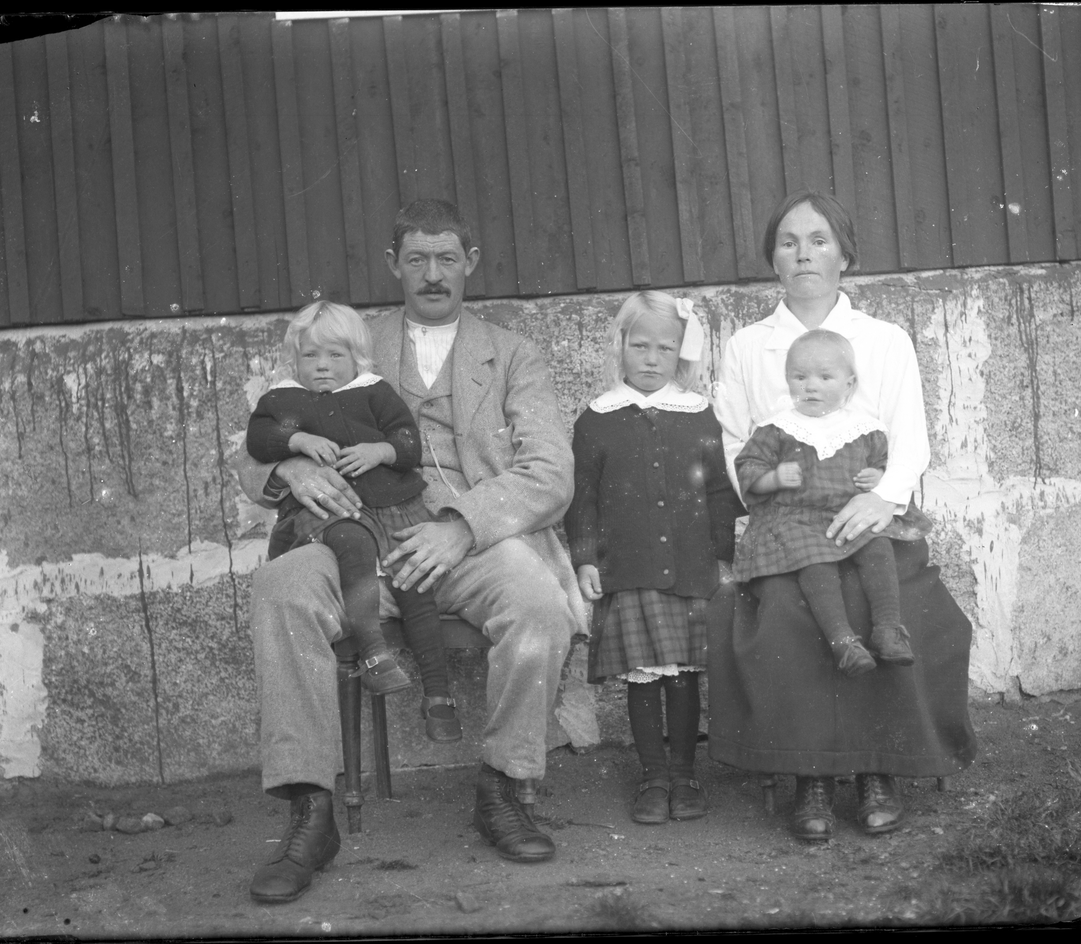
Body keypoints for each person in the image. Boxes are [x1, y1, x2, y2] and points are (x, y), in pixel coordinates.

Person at [237, 199, 583, 904]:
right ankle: (311, 810)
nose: (433, 274)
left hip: (470, 541)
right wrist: (292, 470)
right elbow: (253, 449)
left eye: (447, 259)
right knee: (280, 590)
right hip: (356, 535)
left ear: (470, 264)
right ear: (395, 266)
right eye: (417, 259)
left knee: (539, 605)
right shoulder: (349, 341)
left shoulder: (514, 354)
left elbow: (550, 472)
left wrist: (460, 526)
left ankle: (505, 787)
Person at [711, 190, 977, 842]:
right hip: (787, 519)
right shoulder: (749, 347)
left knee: (884, 598)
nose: (803, 253)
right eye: (789, 241)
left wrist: (880, 499)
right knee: (790, 608)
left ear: (845, 255)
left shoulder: (883, 342)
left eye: (819, 240)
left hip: (870, 508)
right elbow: (733, 443)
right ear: (772, 258)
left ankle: (876, 769)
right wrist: (778, 500)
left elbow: (909, 438)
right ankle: (810, 779)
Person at [565, 292, 743, 826]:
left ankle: (685, 773)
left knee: (684, 676)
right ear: (619, 346)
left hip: (690, 572)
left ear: (680, 354)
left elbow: (717, 492)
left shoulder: (696, 415)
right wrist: (585, 559)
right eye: (639, 345)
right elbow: (582, 498)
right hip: (631, 570)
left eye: (665, 348)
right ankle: (653, 775)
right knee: (644, 677)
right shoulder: (597, 419)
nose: (651, 358)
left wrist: (722, 559)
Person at [246, 300, 460, 742]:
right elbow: (259, 439)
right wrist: (298, 439)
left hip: (393, 507)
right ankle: (373, 650)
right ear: (295, 359)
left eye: (335, 355)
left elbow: (407, 440)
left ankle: (438, 697)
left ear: (357, 358)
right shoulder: (283, 399)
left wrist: (377, 451)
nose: (322, 366)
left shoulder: (373, 391)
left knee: (415, 584)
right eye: (310, 356)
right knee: (351, 543)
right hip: (330, 516)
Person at [732, 328, 927, 677]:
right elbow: (748, 468)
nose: (811, 385)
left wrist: (877, 479)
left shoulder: (864, 429)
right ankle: (843, 642)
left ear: (849, 385)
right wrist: (772, 479)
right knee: (815, 564)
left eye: (825, 377)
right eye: (800, 376)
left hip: (847, 513)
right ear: (787, 380)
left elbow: (882, 462)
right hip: (797, 518)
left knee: (877, 546)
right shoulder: (776, 429)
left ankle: (888, 628)